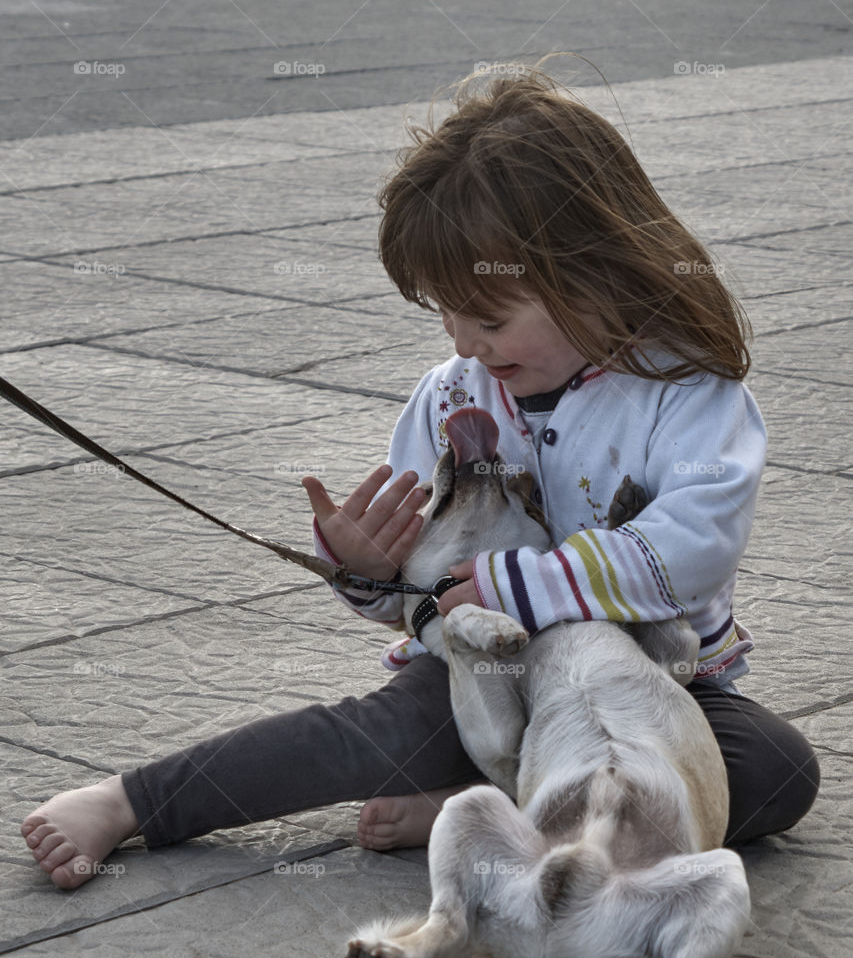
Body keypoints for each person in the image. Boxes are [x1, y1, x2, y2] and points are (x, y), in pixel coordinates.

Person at [21, 65, 819, 890]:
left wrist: (521, 584)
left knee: (775, 769)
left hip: (650, 687)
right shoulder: (452, 394)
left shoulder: (686, 390)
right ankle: (133, 801)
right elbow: (427, 587)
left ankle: (475, 807)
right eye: (443, 312)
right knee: (371, 738)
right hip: (489, 674)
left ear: (599, 271)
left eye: (489, 317)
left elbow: (692, 546)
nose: (465, 342)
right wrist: (370, 572)